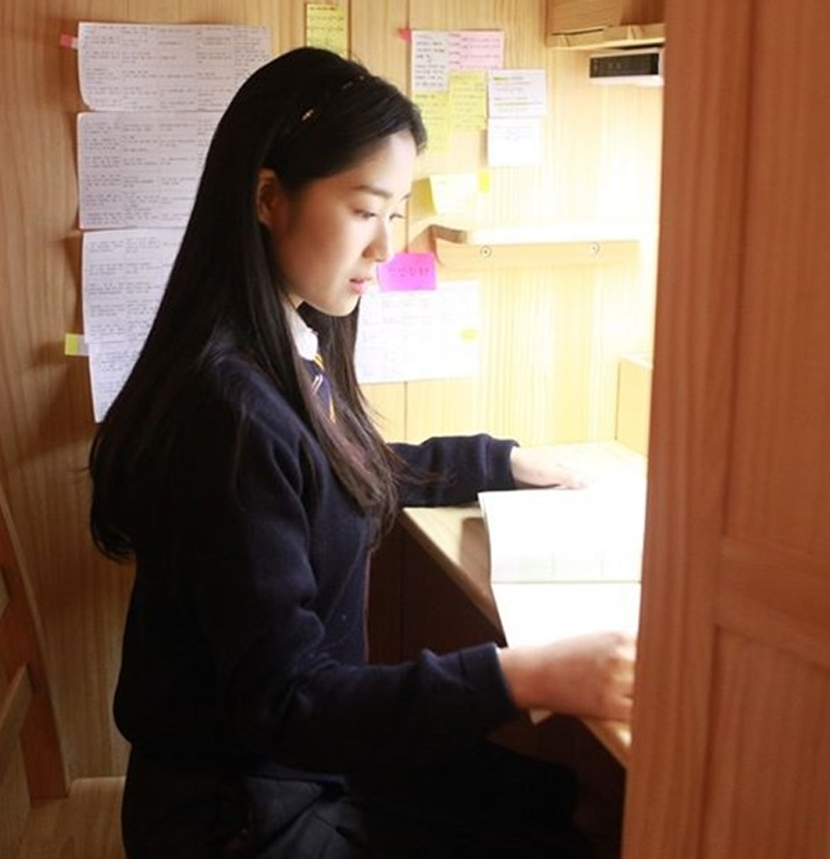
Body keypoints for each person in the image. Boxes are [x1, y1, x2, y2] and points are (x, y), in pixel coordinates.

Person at [89, 46, 636, 857]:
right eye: (364, 209)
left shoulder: (273, 349)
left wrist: (501, 462)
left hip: (288, 770)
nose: (385, 247)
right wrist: (525, 676)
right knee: (564, 828)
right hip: (239, 816)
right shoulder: (228, 414)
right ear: (269, 197)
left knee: (568, 805)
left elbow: (338, 465)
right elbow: (290, 703)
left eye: (394, 211)